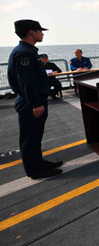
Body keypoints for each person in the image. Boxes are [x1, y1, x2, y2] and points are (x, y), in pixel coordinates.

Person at [8, 20, 63, 179]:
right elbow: (27, 82)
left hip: (31, 100)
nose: (42, 33)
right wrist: (36, 103)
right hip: (31, 102)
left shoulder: (27, 51)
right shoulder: (24, 53)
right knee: (30, 138)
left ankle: (38, 163)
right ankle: (35, 170)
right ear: (31, 32)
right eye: (40, 30)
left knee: (35, 135)